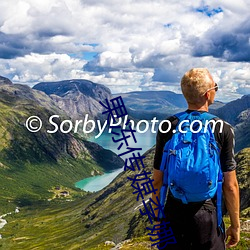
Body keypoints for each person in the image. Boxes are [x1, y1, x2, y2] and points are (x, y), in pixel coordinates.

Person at [152, 68, 240, 249]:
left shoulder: (168, 125)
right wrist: (235, 226)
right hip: (207, 214)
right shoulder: (222, 129)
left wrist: (157, 219)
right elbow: (230, 185)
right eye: (216, 87)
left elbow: (157, 181)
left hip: (173, 211)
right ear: (208, 94)